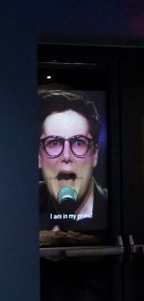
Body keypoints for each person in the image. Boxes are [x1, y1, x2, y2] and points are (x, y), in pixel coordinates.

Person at [38, 90, 108, 232]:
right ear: (39, 157)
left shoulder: (114, 207)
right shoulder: (23, 205)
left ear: (95, 154)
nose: (66, 156)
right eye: (54, 143)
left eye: (78, 142)